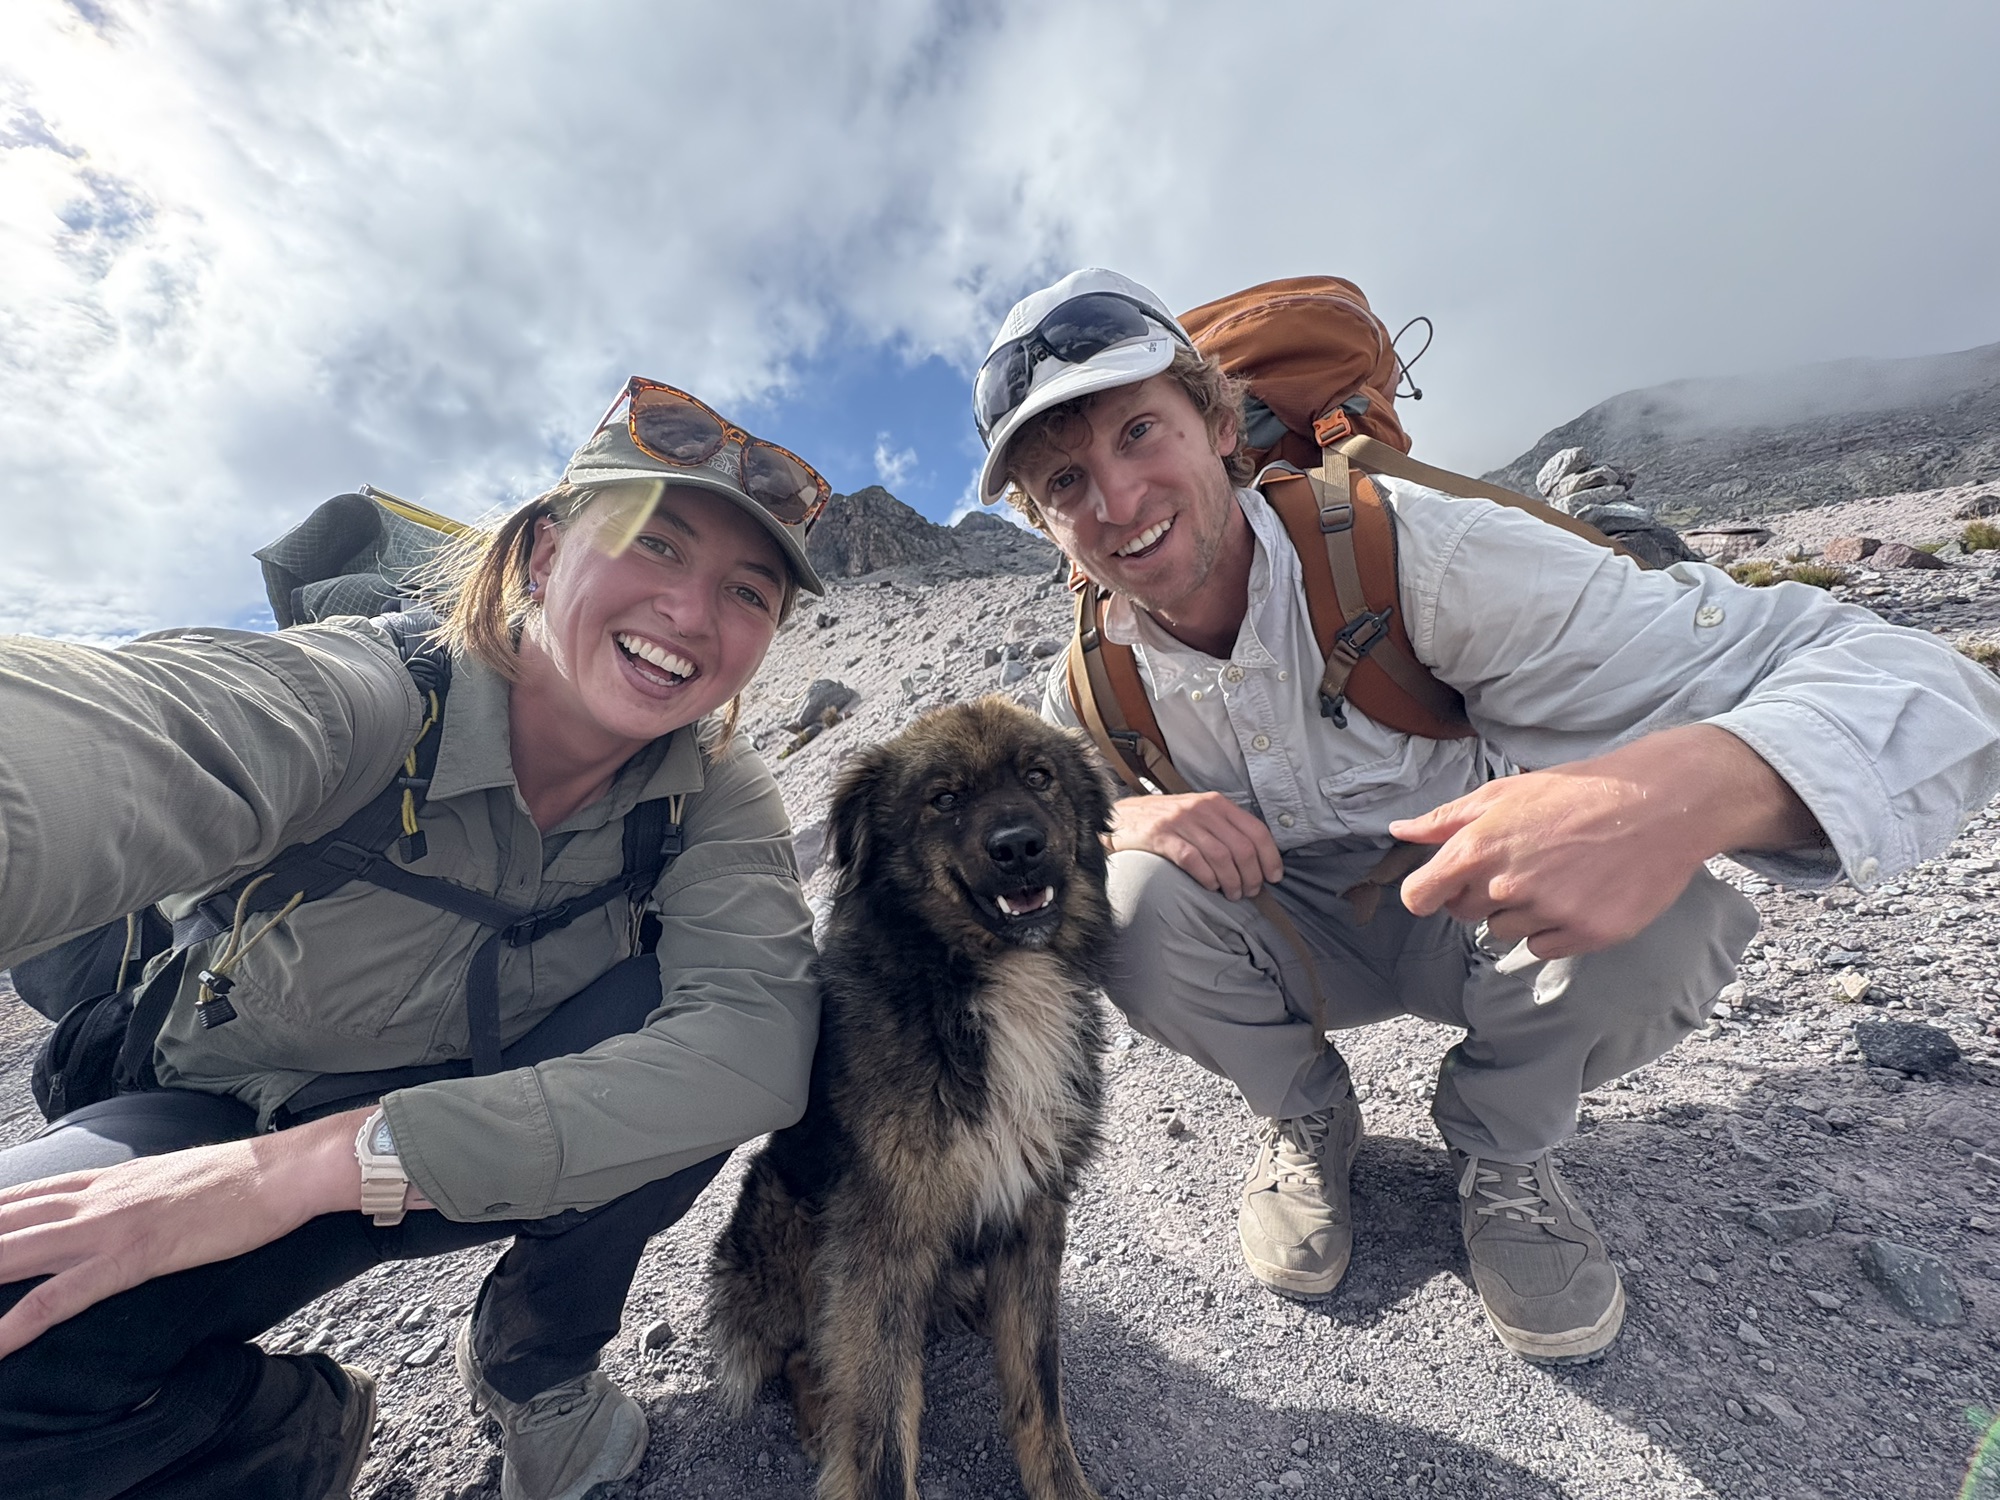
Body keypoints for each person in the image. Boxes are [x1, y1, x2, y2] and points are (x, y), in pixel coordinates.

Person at [975, 267, 2000, 1362]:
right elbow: (1014, 852)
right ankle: (1309, 1115)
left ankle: (1504, 1148)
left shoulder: (1418, 553)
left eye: (1141, 432)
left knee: (1665, 922)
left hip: (1490, 919)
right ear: (1044, 526)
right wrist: (1117, 827)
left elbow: (1925, 688)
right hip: (1298, 944)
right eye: (1065, 482)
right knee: (1117, 899)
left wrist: (1672, 797)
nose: (1116, 501)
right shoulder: (1085, 686)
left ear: (1219, 423)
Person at [0, 378, 832, 1500]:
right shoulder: (367, 694)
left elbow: (751, 1045)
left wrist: (315, 1169)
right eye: (655, 547)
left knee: (672, 1035)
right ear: (542, 555)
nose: (692, 613)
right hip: (205, 1135)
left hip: (463, 1145)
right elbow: (118, 740)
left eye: (747, 591)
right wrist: (252, 1172)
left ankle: (534, 1365)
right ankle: (276, 1435)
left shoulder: (711, 793)